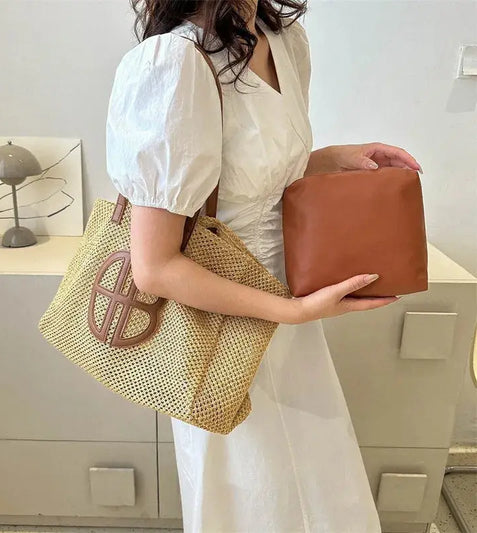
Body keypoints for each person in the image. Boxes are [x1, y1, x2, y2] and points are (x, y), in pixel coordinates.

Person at [105, 1, 423, 531]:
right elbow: (154, 267)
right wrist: (291, 311)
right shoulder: (174, 63)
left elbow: (254, 177)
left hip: (292, 302)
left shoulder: (284, 38)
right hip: (221, 319)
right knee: (253, 494)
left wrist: (333, 159)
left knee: (315, 483)